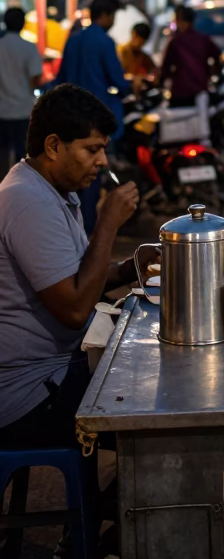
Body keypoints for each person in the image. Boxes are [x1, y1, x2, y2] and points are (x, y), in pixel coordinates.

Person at [0, 84, 141, 449]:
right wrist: (108, 224)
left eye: (103, 150)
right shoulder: (27, 202)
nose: (103, 162)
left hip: (60, 368)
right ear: (53, 146)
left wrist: (130, 268)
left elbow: (77, 278)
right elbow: (76, 310)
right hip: (31, 391)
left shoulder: (55, 190)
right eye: (92, 150)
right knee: (156, 415)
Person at [55, 0, 131, 231]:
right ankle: (87, 229)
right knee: (91, 175)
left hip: (68, 118)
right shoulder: (104, 42)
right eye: (113, 16)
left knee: (70, 175)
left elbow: (60, 78)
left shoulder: (73, 40)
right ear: (105, 15)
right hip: (94, 120)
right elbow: (118, 81)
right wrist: (129, 87)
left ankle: (71, 228)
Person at [0, 6, 43, 176]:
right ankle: (18, 188)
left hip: (1, 110)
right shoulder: (28, 47)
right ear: (23, 24)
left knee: (2, 152)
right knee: (22, 155)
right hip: (23, 109)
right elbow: (36, 79)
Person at [160, 6, 221, 106]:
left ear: (180, 21)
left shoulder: (176, 42)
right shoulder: (203, 40)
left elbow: (165, 67)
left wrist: (161, 81)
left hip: (180, 93)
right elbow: (217, 57)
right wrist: (212, 74)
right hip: (201, 90)